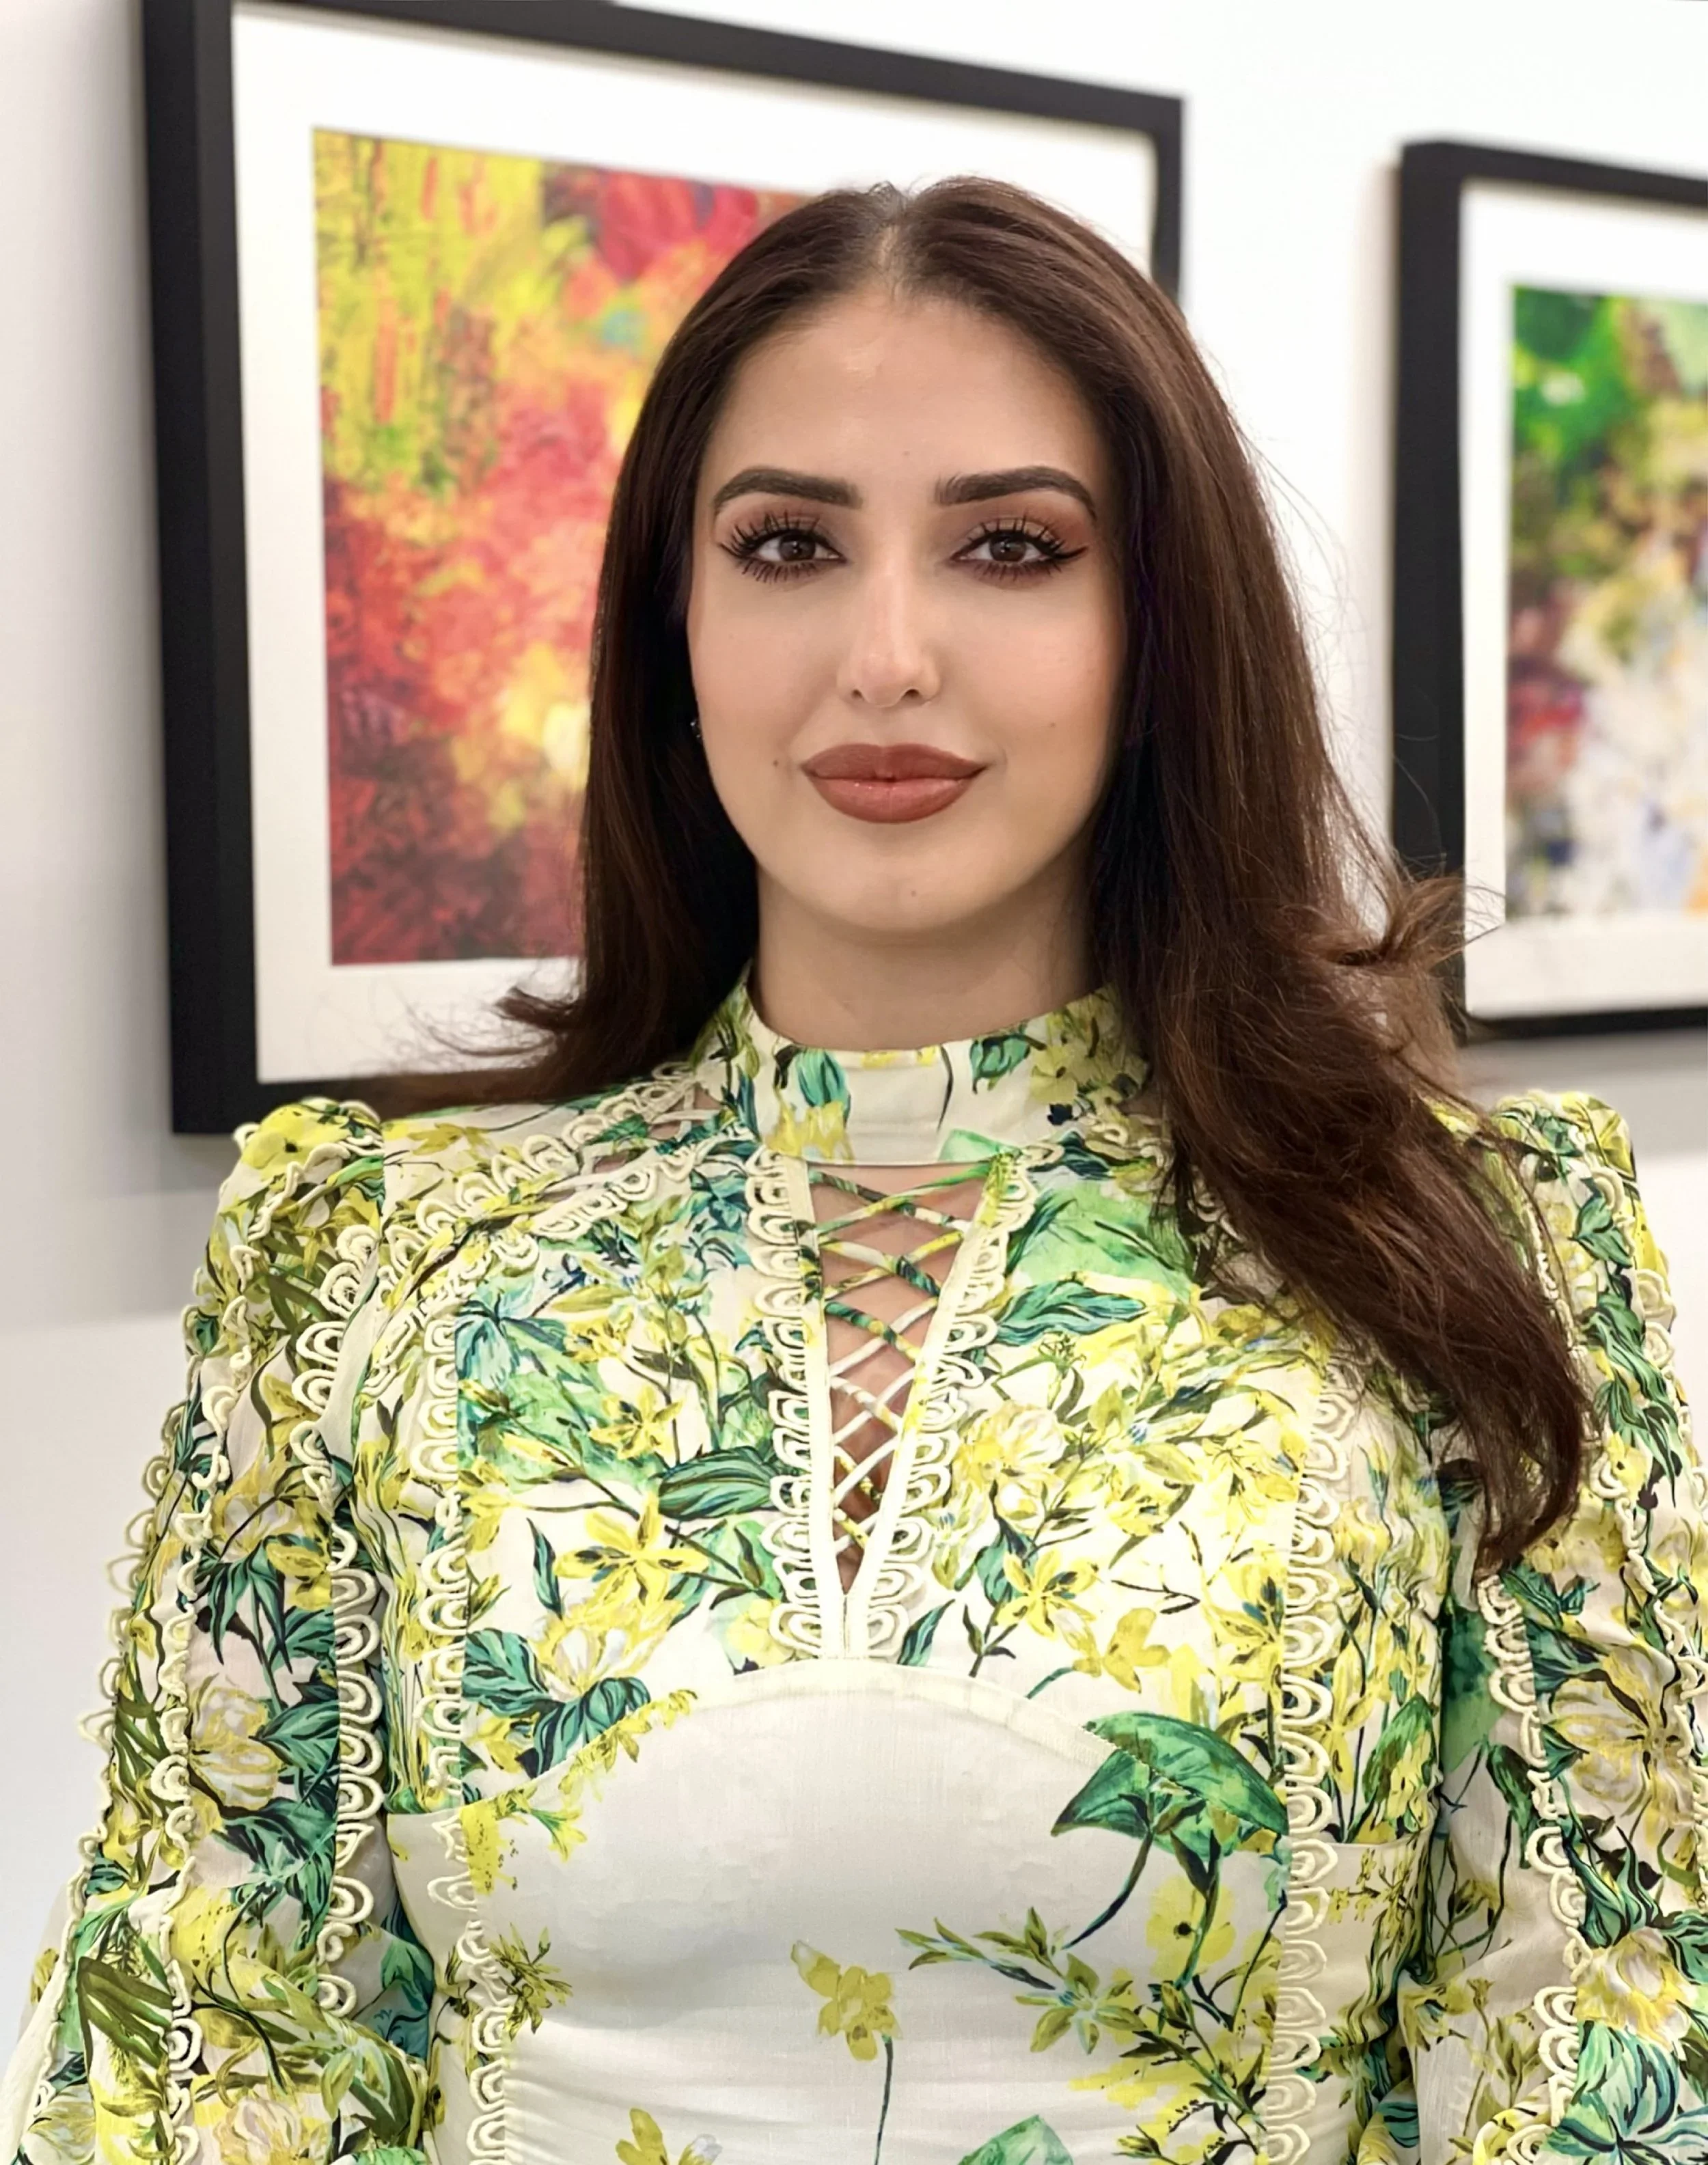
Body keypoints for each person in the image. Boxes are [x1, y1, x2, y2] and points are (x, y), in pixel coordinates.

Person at [3, 175, 1700, 2165]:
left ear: (1158, 630)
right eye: (789, 546)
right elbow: (199, 2051)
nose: (887, 656)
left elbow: (1599, 2041)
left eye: (1010, 548)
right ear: (675, 623)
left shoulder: (1463, 1241)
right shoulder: (374, 1265)